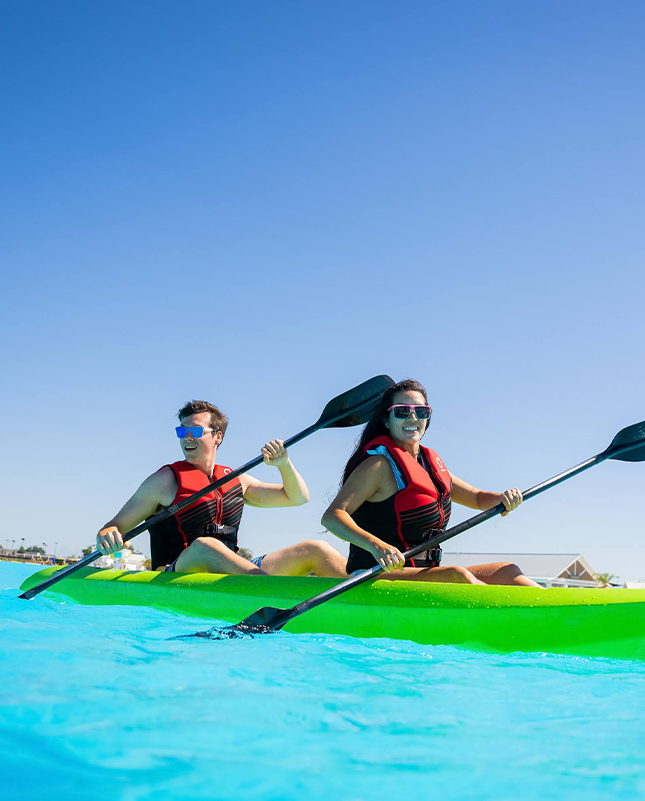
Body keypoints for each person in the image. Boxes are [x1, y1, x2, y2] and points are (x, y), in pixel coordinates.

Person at [322, 379, 539, 586]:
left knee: (507, 571)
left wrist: (503, 498)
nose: (413, 418)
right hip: (376, 576)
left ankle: (550, 607)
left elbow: (477, 498)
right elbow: (332, 517)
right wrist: (377, 546)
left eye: (421, 412)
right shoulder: (378, 466)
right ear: (386, 420)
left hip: (420, 576)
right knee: (457, 576)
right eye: (402, 411)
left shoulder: (431, 466)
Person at [97, 400, 347, 578]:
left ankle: (364, 592)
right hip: (176, 574)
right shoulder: (165, 480)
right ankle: (265, 589)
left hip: (236, 574)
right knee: (205, 546)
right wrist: (108, 534)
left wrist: (283, 464)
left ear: (218, 436)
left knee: (317, 550)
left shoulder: (236, 480)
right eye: (182, 431)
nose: (187, 437)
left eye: (195, 431)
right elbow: (114, 526)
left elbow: (298, 497)